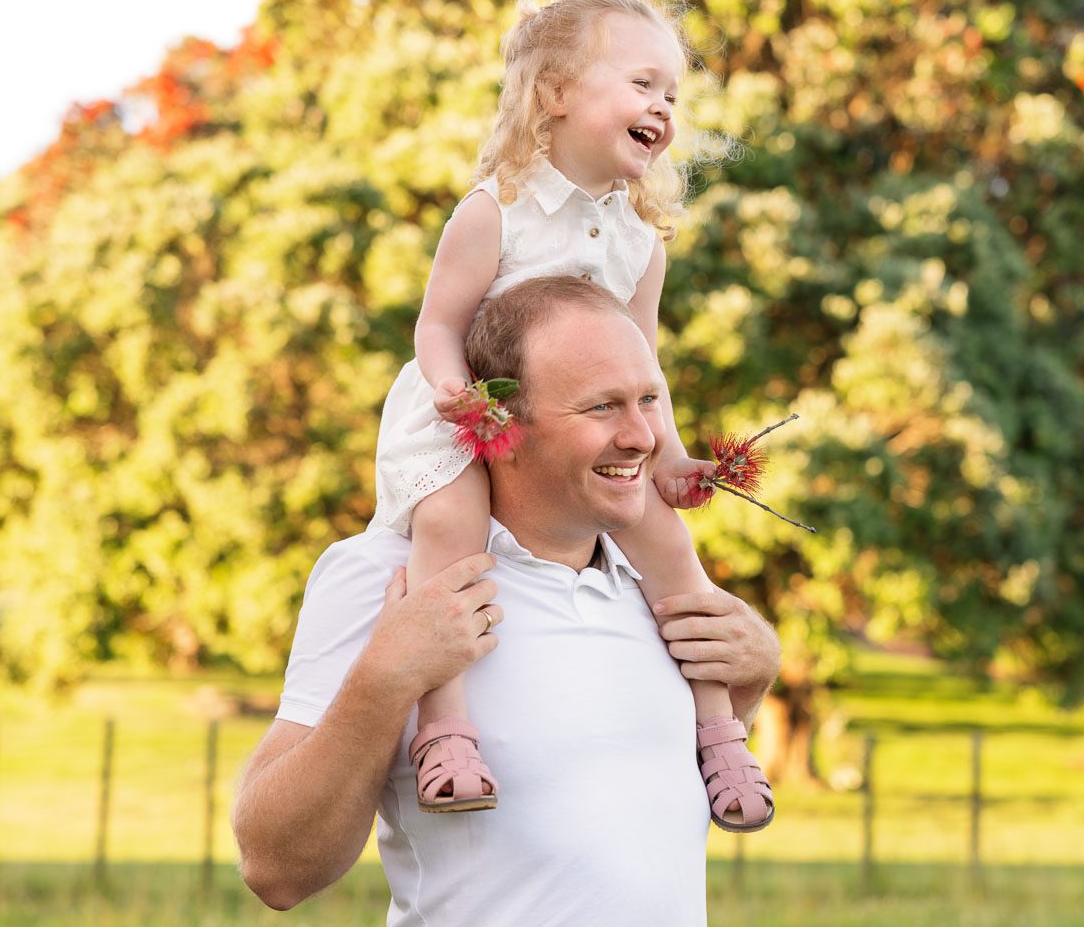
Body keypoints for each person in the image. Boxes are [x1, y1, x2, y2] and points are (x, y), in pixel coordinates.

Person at [234, 277, 782, 924]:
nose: (643, 437)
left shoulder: (661, 587)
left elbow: (637, 820)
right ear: (500, 423)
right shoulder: (391, 576)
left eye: (648, 400)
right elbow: (276, 870)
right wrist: (385, 675)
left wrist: (751, 680)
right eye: (601, 407)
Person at [368, 0, 771, 827]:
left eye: (672, 93)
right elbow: (438, 324)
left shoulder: (641, 242)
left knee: (673, 552)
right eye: (641, 83)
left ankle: (720, 736)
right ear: (553, 93)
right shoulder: (496, 210)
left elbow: (644, 370)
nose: (662, 106)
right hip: (475, 415)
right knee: (450, 526)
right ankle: (445, 729)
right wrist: (454, 392)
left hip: (588, 436)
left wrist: (670, 454)